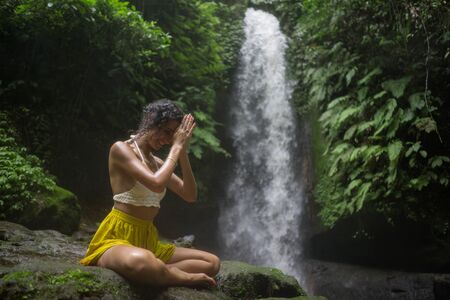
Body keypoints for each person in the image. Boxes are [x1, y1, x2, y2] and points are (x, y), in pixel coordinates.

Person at [80, 99, 219, 287]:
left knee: (212, 263)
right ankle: (178, 276)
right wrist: (175, 148)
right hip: (117, 238)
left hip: (148, 240)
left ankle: (162, 271)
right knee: (143, 262)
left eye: (173, 135)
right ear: (151, 122)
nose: (168, 140)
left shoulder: (158, 163)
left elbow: (190, 195)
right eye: (166, 132)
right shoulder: (121, 149)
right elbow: (155, 183)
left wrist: (182, 151)